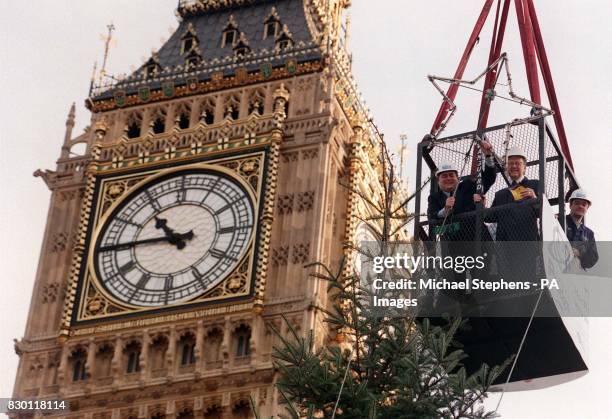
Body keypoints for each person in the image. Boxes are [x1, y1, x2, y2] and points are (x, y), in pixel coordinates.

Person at [427, 139, 497, 241]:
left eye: (451, 175)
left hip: (479, 241)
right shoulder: (434, 198)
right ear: (438, 181)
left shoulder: (467, 186)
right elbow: (433, 222)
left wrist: (488, 156)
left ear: (458, 178)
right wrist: (445, 210)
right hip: (453, 249)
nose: (448, 178)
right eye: (444, 176)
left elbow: (488, 178)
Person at [490, 147, 540, 241]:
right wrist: (482, 205)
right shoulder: (500, 194)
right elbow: (490, 218)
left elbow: (542, 213)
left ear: (524, 167)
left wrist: (535, 199)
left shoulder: (535, 185)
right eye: (510, 163)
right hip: (504, 248)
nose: (513, 166)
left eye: (517, 163)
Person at [566, 188, 598, 269]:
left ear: (587, 208)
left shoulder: (589, 233)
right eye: (577, 203)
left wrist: (579, 253)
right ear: (570, 205)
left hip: (575, 273)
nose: (580, 206)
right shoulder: (560, 221)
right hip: (555, 266)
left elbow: (593, 258)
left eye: (584, 204)